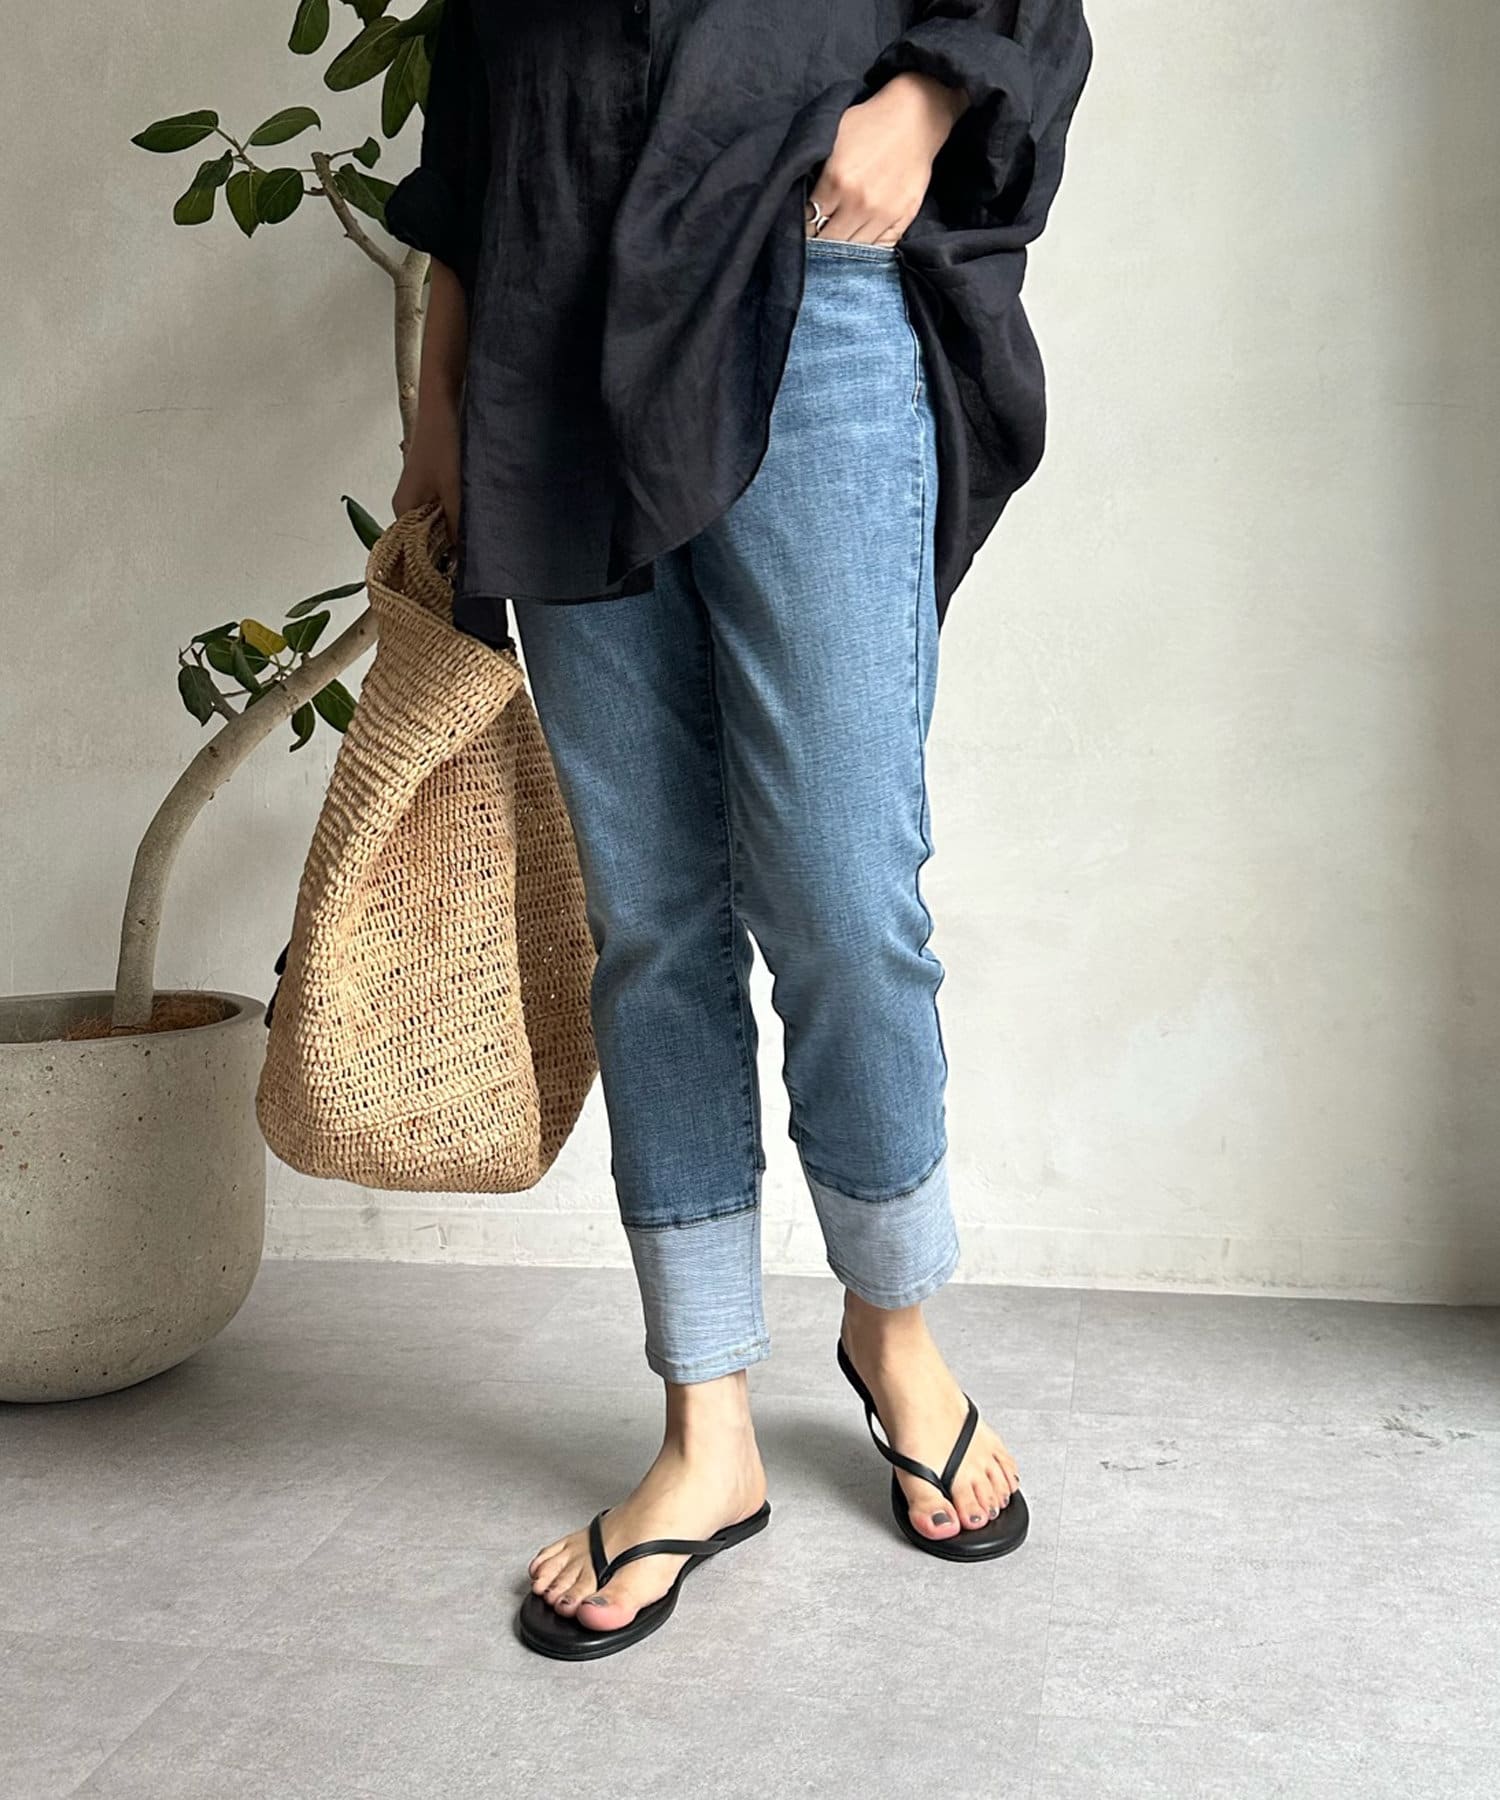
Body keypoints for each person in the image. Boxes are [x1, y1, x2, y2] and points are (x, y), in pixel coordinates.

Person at [386, 0, 1091, 1661]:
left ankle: (891, 1326)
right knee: (651, 922)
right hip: (548, 322)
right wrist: (442, 389)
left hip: (810, 284)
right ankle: (705, 1424)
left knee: (845, 894)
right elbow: (480, 83)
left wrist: (924, 104)